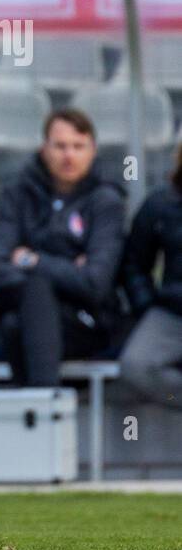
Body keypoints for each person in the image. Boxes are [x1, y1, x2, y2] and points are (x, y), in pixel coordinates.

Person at [0, 109, 125, 387]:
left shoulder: (106, 201)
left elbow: (95, 282)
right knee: (30, 302)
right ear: (44, 148)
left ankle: (39, 408)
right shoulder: (18, 194)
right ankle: (44, 409)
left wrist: (30, 260)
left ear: (93, 150)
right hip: (27, 315)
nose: (68, 155)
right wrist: (69, 270)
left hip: (86, 323)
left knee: (23, 312)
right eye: (60, 146)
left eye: (77, 146)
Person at [118, 145, 182, 408]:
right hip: (173, 312)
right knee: (136, 365)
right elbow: (133, 264)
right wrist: (146, 306)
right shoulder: (161, 203)